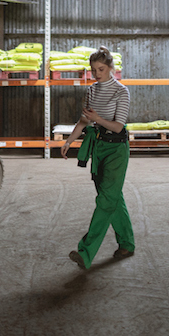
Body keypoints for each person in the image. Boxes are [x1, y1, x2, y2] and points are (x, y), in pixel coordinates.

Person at [61, 46, 134, 269]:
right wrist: (69, 141)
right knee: (112, 198)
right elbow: (84, 121)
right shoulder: (92, 90)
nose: (97, 73)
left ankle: (86, 251)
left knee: (105, 200)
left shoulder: (121, 92)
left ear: (111, 68)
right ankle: (127, 244)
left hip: (116, 149)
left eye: (101, 69)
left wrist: (97, 118)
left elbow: (118, 125)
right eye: (93, 70)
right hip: (98, 147)